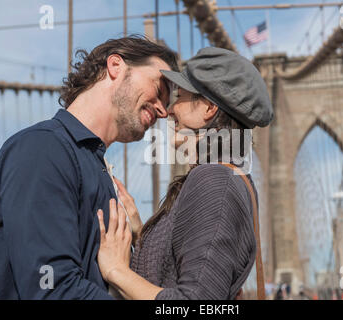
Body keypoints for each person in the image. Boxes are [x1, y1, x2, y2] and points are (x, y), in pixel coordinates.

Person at [0, 36, 178, 299]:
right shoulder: (43, 149)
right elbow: (51, 290)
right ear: (116, 65)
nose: (163, 111)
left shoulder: (96, 168)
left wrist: (142, 243)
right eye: (160, 87)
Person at [95, 47, 274, 300]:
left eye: (181, 96)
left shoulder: (216, 182)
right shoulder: (226, 177)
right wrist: (141, 234)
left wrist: (115, 270)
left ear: (209, 108)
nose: (169, 111)